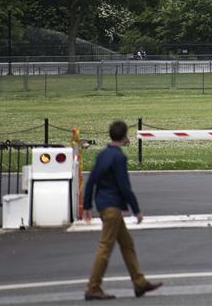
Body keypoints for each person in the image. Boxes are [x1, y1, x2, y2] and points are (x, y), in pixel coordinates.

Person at [82, 121, 162, 301]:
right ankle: (93, 287)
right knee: (105, 247)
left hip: (103, 205)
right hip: (113, 208)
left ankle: (139, 282)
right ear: (125, 136)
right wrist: (136, 210)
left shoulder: (102, 155)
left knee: (127, 243)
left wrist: (87, 206)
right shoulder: (119, 157)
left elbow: (91, 181)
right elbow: (124, 187)